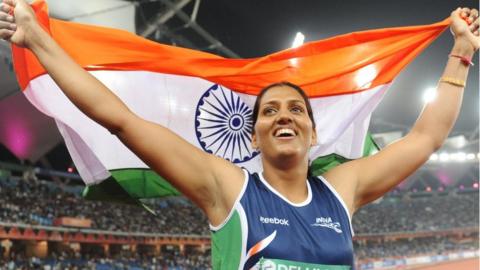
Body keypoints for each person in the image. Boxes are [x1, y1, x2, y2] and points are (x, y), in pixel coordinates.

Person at [0, 0, 478, 268]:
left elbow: (425, 139)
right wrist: (40, 42)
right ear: (253, 137)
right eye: (269, 111)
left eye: (296, 109)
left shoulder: (342, 192)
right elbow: (121, 119)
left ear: (314, 133)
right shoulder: (228, 189)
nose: (283, 116)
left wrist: (460, 52)